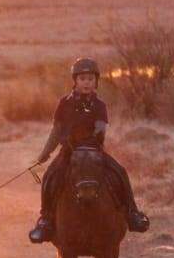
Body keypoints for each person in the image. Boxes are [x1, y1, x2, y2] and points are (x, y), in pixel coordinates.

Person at [28, 58, 150, 244]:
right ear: (75, 81)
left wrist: (92, 140)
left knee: (120, 172)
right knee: (50, 176)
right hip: (68, 153)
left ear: (96, 82)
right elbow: (56, 131)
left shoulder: (100, 105)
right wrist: (44, 154)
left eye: (91, 79)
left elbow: (101, 128)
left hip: (94, 152)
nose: (87, 83)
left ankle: (132, 213)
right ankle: (46, 220)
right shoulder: (64, 103)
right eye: (83, 79)